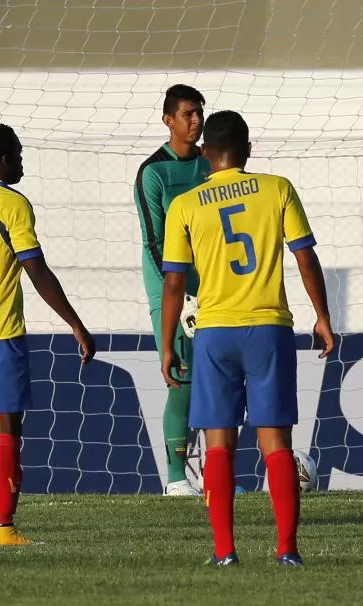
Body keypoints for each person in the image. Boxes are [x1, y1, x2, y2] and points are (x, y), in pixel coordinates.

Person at [160, 110, 335, 567]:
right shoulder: (277, 188)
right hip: (268, 329)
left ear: (204, 156)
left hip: (215, 334)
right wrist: (322, 317)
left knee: (218, 443)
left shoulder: (186, 205)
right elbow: (305, 258)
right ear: (249, 149)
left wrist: (165, 343)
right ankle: (287, 551)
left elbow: (174, 283)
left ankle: (224, 553)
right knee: (275, 443)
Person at [0, 123, 95, 546]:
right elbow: (37, 270)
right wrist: (75, 323)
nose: (23, 160)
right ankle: (3, 528)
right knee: (5, 426)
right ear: (4, 158)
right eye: (20, 153)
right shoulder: (12, 203)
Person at [134, 84, 210, 496]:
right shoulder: (153, 173)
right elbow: (153, 241)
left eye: (199, 113)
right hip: (172, 293)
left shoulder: (210, 165)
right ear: (168, 120)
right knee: (181, 380)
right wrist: (176, 295)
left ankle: (217, 474)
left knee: (221, 381)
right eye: (188, 114)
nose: (196, 120)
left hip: (216, 289)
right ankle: (177, 478)